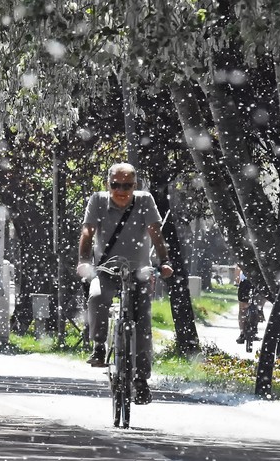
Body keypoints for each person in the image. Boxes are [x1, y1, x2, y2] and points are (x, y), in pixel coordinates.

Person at [76, 163, 173, 405]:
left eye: (127, 185)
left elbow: (155, 232)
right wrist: (84, 261)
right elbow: (88, 232)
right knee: (97, 297)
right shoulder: (97, 201)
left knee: (142, 325)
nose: (121, 190)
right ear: (108, 184)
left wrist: (165, 261)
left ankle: (140, 380)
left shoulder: (145, 201)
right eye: (115, 185)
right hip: (106, 269)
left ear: (135, 186)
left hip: (138, 272)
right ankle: (99, 346)